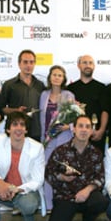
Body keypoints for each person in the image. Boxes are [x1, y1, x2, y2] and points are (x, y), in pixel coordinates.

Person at [45, 115, 108, 221]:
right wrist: (61, 177)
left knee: (101, 202)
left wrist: (87, 190)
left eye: (87, 127)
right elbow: (48, 173)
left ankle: (88, 218)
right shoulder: (60, 151)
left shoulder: (96, 153)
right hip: (65, 196)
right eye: (80, 126)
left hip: (87, 196)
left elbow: (100, 177)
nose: (84, 130)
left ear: (91, 131)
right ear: (73, 129)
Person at [40, 65, 75, 211]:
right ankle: (48, 205)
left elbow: (75, 116)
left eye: (60, 75)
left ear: (63, 78)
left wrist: (69, 127)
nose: (56, 77)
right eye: (54, 74)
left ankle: (64, 204)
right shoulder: (43, 95)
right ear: (50, 77)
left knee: (63, 171)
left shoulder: (68, 95)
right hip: (48, 139)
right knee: (48, 171)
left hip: (64, 138)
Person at [0, 49, 45, 141]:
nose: (28, 65)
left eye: (31, 62)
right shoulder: (9, 85)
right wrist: (16, 111)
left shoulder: (40, 85)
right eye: (25, 62)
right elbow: (1, 109)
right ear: (19, 64)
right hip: (16, 131)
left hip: (36, 131)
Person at [68, 55, 108, 152]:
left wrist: (101, 131)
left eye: (90, 63)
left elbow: (105, 111)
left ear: (94, 66)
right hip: (76, 135)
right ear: (78, 65)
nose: (88, 65)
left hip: (96, 135)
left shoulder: (102, 88)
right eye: (84, 63)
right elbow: (67, 113)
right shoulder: (71, 88)